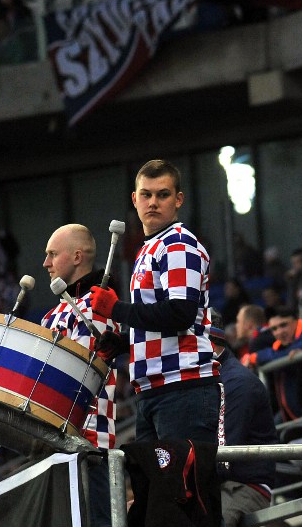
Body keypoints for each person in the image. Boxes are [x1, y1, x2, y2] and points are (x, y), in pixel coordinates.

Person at [89, 160, 220, 445]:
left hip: (182, 386)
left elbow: (180, 314)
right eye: (146, 194)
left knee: (182, 476)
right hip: (157, 388)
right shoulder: (151, 247)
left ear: (178, 200)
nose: (153, 202)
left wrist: (116, 309)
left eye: (163, 195)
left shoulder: (177, 244)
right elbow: (164, 319)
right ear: (134, 199)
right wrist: (125, 343)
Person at [40, 224, 124, 527]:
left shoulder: (102, 301)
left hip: (91, 437)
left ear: (76, 256)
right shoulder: (52, 313)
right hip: (57, 439)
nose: (45, 263)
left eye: (51, 254)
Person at [206, 319, 278, 527]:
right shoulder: (214, 378)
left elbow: (225, 455)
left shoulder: (236, 383)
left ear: (208, 344)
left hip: (245, 484)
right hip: (222, 480)